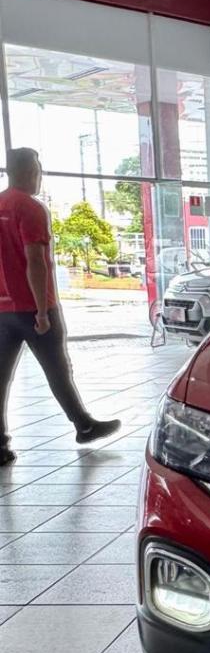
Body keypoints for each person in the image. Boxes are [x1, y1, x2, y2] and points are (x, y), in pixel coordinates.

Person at [0, 148, 120, 466]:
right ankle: (84, 426)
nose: (39, 177)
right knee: (57, 370)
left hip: (2, 310)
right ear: (30, 171)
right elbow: (36, 262)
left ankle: (0, 445)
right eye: (38, 170)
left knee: (0, 377)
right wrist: (41, 311)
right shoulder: (30, 208)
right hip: (33, 308)